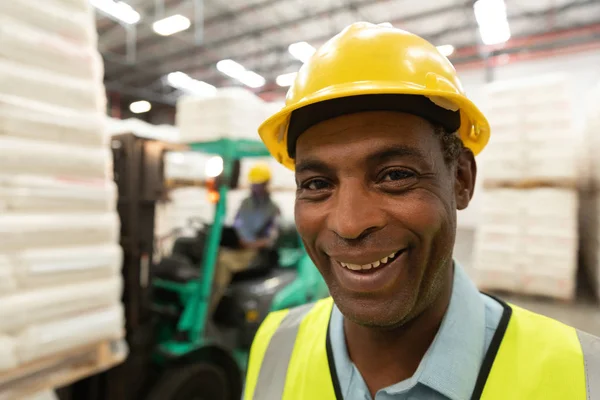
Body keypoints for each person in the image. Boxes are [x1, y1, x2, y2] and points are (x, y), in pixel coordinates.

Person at [243, 22, 599, 400]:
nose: (348, 223)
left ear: (461, 179)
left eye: (395, 175)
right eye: (317, 184)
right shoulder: (274, 344)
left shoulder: (583, 376)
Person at [211, 163, 281, 312]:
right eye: (253, 184)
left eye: (258, 184)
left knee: (223, 262)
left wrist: (250, 244)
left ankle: (209, 307)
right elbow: (237, 225)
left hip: (253, 253)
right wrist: (235, 238)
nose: (254, 187)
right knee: (211, 255)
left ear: (266, 184)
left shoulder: (272, 209)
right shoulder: (245, 203)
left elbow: (270, 239)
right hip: (238, 246)